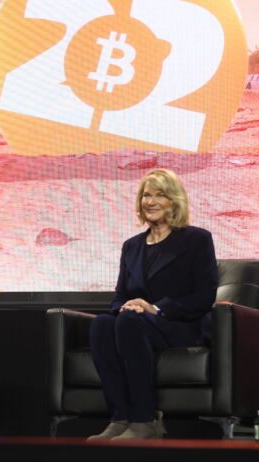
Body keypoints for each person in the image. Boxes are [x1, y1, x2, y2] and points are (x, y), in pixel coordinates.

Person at [88, 168, 218, 441]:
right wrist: (127, 306)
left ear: (174, 200)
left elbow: (204, 296)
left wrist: (156, 308)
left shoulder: (197, 239)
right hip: (135, 323)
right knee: (102, 324)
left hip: (179, 325)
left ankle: (145, 420)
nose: (151, 201)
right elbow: (119, 295)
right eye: (146, 195)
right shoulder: (131, 246)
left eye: (160, 195)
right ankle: (121, 417)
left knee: (129, 321)